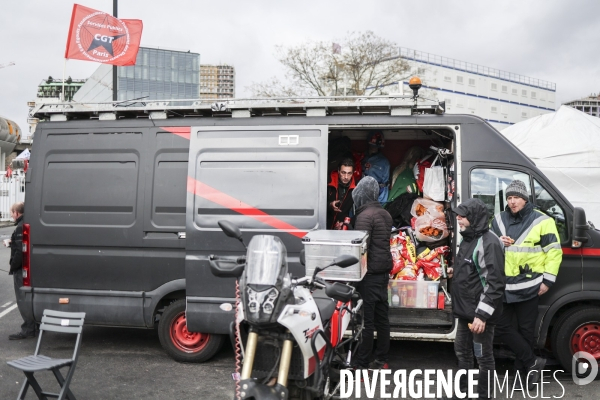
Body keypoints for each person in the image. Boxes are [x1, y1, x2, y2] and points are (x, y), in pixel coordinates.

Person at [490, 180, 562, 386]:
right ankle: (532, 362)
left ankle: (524, 375)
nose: (512, 202)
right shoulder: (497, 220)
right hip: (504, 287)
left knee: (526, 332)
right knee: (501, 327)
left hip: (529, 287)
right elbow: (485, 246)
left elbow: (554, 252)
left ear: (525, 199)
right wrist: (497, 242)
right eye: (509, 198)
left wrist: (548, 280)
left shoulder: (542, 221)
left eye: (516, 198)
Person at [445, 198, 505, 399]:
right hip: (466, 312)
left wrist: (481, 315)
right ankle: (463, 392)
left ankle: (483, 395)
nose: (459, 219)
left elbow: (495, 283)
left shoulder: (490, 243)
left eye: (462, 216)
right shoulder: (468, 238)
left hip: (479, 316)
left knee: (483, 357)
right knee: (463, 353)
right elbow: (474, 270)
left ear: (474, 217)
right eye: (458, 216)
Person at [351, 176, 393, 370]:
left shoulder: (364, 216)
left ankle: (361, 364)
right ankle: (382, 359)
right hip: (383, 273)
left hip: (369, 276)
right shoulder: (385, 214)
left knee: (366, 322)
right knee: (382, 319)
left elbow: (360, 249)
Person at [8, 202, 36, 340]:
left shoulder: (20, 227)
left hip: (21, 269)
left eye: (12, 213)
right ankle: (34, 326)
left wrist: (12, 266)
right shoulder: (29, 223)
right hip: (31, 266)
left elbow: (20, 252)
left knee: (22, 299)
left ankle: (28, 329)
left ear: (17, 213)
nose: (11, 215)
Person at [361, 131, 390, 205]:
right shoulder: (361, 157)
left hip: (376, 197)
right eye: (372, 145)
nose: (374, 148)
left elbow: (385, 184)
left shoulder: (384, 162)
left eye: (376, 146)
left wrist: (380, 203)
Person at [327, 158, 356, 230]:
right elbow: (315, 203)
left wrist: (346, 223)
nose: (346, 177)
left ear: (352, 173)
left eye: (349, 173)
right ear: (338, 171)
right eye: (343, 172)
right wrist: (330, 205)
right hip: (324, 225)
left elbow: (361, 212)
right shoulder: (328, 181)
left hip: (341, 227)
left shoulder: (356, 188)